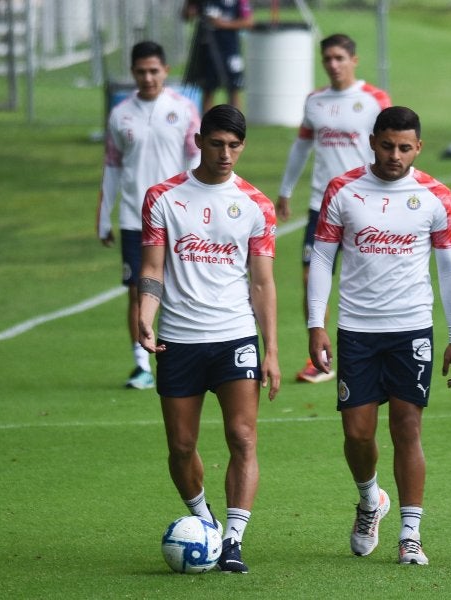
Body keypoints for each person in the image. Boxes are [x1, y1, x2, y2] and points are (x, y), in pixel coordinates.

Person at [306, 106, 451, 566]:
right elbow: (321, 260)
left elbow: (450, 269)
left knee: (407, 427)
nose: (394, 155)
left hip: (411, 327)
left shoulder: (436, 195)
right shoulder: (344, 190)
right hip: (357, 329)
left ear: (417, 147)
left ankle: (411, 533)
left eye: (404, 147)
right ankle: (370, 499)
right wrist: (317, 323)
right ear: (372, 142)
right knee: (357, 433)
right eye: (386, 145)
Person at [138, 104, 280, 573]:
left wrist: (272, 349)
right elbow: (153, 269)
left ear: (243, 147)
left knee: (242, 436)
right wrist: (145, 314)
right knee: (181, 446)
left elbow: (262, 283)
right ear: (199, 142)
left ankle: (234, 539)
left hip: (234, 335)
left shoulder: (256, 205)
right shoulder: (162, 197)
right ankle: (205, 524)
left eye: (234, 146)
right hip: (178, 339)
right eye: (216, 143)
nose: (225, 154)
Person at [275, 33, 392, 384]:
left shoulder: (374, 100)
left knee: (371, 279)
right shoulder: (315, 102)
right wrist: (284, 190)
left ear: (354, 60)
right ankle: (320, 358)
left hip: (365, 205)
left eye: (340, 57)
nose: (333, 64)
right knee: (312, 278)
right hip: (321, 206)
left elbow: (392, 148)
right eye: (327, 58)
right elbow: (300, 148)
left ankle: (381, 352)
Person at [97, 40, 201, 390]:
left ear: (165, 70)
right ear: (133, 73)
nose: (147, 77)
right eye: (141, 71)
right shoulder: (120, 114)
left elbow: (196, 159)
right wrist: (103, 216)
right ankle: (142, 364)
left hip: (176, 216)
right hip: (133, 218)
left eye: (154, 70)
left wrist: (197, 205)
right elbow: (112, 165)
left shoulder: (184, 109)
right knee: (138, 291)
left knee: (179, 288)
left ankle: (183, 353)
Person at [181, 0, 253, 110]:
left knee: (233, 90)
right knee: (208, 90)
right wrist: (190, 7)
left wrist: (223, 24)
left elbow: (248, 22)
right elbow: (187, 16)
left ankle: (234, 125)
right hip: (206, 48)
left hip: (230, 49)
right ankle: (208, 126)